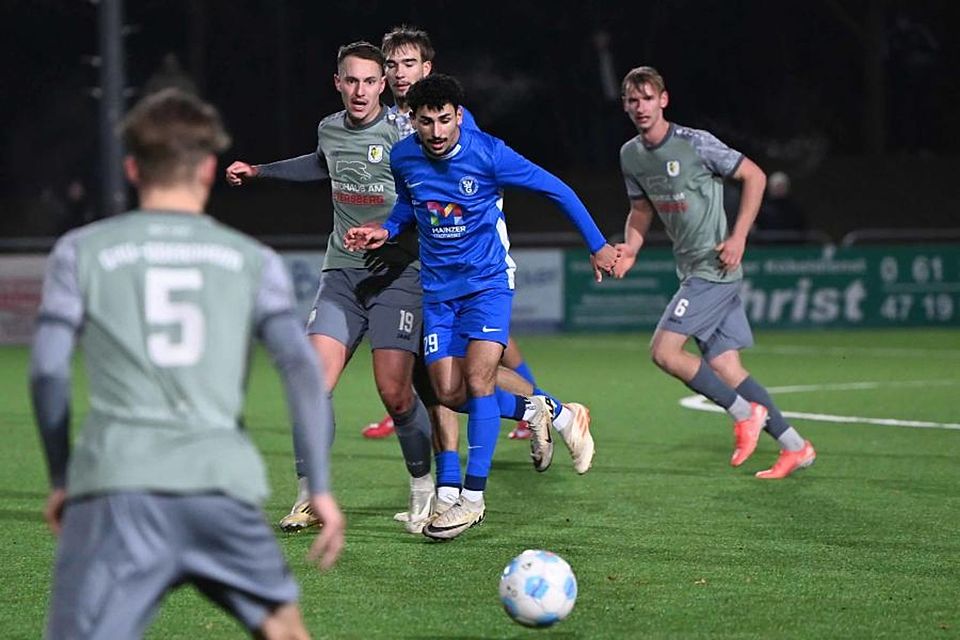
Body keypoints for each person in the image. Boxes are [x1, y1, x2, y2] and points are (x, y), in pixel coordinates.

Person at [31, 88, 344, 639]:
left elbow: (48, 370)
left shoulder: (80, 251)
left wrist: (62, 478)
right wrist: (318, 486)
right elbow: (301, 370)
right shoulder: (253, 260)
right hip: (220, 486)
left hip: (118, 485)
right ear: (207, 169)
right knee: (285, 632)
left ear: (133, 169)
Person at [345, 74, 618, 540]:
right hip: (438, 292)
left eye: (444, 120)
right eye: (426, 121)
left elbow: (557, 189)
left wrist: (597, 244)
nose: (436, 132)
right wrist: (385, 230)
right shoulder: (404, 156)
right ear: (413, 120)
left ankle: (471, 500)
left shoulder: (489, 153)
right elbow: (408, 207)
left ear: (459, 116)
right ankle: (554, 412)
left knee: (479, 380)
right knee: (448, 393)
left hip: (487, 284)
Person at [225, 42, 437, 532]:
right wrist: (259, 171)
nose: (360, 90)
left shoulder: (405, 133)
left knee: (396, 394)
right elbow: (320, 163)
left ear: (383, 85)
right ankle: (310, 495)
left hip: (397, 276)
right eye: (351, 80)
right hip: (342, 274)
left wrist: (390, 231)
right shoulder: (330, 128)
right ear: (338, 83)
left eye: (369, 81)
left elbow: (428, 199)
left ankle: (422, 486)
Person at [612, 66, 816, 478]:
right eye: (633, 100)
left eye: (648, 98)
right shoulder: (630, 155)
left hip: (715, 267)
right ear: (625, 106)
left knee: (665, 352)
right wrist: (631, 248)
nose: (641, 107)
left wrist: (739, 237)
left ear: (663, 100)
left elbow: (754, 175)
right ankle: (796, 447)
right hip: (691, 269)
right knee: (727, 368)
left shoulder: (695, 143)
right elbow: (640, 209)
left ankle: (743, 413)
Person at [364, 25, 538, 443]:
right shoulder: (387, 120)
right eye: (392, 65)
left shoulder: (449, 117)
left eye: (409, 64)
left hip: (458, 248)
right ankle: (412, 405)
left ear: (427, 68)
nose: (400, 73)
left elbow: (472, 177)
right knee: (442, 349)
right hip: (414, 245)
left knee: (475, 347)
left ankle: (541, 405)